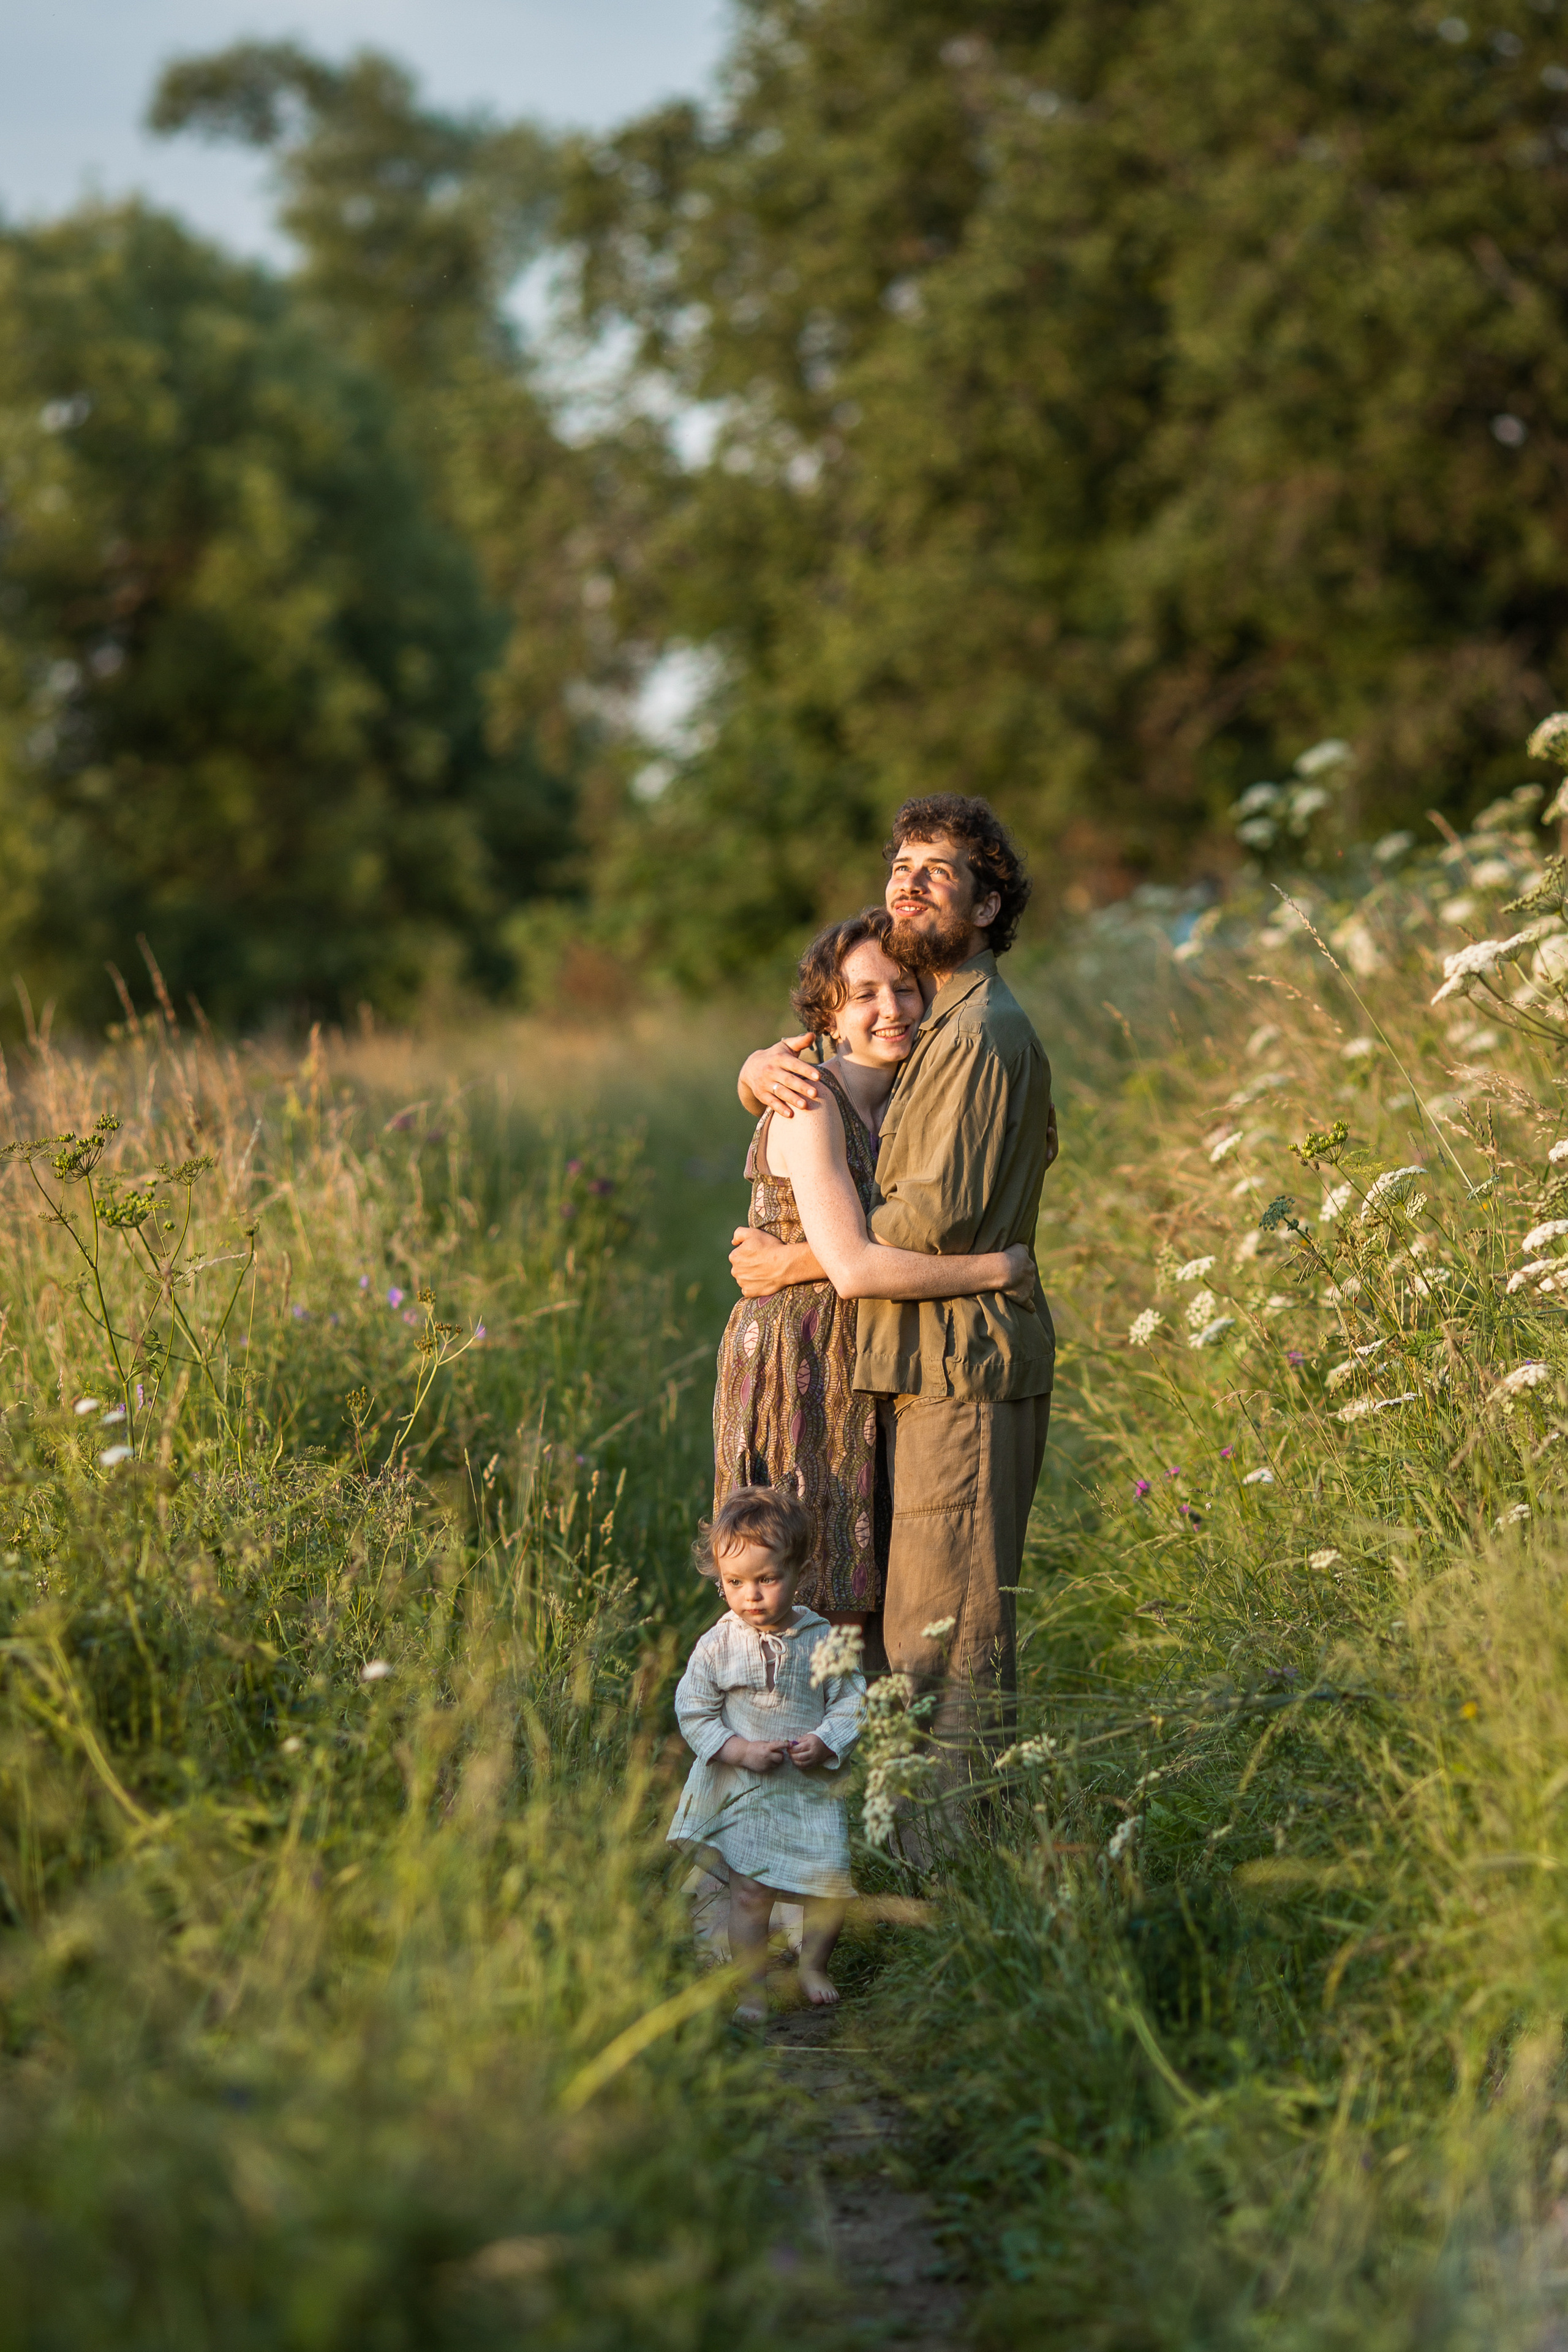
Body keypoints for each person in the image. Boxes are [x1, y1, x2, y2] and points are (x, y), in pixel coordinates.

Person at [729, 795, 1057, 1758]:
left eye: (939, 872)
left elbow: (919, 1225)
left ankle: (955, 1877)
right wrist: (755, 1071)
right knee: (900, 1634)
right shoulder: (927, 1028)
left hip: (962, 1368)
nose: (909, 884)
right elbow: (818, 1079)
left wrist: (795, 1259)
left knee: (945, 1651)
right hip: (914, 1368)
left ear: (988, 908)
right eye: (900, 866)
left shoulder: (978, 1034)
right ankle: (896, 1850)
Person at [714, 905, 1036, 1629]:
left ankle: (859, 1742)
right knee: (796, 1593)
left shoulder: (907, 1097)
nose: (890, 1009)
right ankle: (761, 1743)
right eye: (863, 995)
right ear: (827, 1016)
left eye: (905, 989)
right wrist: (997, 1271)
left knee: (870, 1588)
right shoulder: (809, 1100)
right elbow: (856, 1268)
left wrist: (794, 1261)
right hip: (797, 1359)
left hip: (865, 1353)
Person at [668, 1485, 867, 2021]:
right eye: (735, 1583)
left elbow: (853, 1702)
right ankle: (752, 1986)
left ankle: (812, 1967)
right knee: (751, 1893)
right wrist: (737, 1750)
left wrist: (826, 1739)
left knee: (826, 1889)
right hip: (747, 1791)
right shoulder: (718, 1644)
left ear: (798, 1570)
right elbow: (693, 1711)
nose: (750, 1595)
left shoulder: (822, 1638)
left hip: (809, 1792)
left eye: (766, 1579)